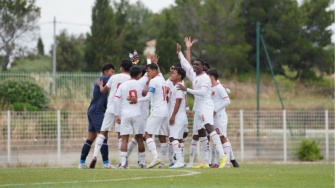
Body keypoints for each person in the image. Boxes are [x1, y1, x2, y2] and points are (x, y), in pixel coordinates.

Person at [176, 37, 228, 169]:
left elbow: (203, 93)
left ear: (203, 67)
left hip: (206, 106)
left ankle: (223, 156)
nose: (194, 66)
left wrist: (186, 89)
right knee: (200, 132)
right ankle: (205, 161)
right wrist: (180, 53)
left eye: (197, 64)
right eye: (194, 64)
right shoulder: (194, 76)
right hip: (198, 108)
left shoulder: (205, 78)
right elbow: (185, 65)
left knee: (209, 128)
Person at [89, 59, 133, 169]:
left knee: (103, 133)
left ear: (121, 68)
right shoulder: (130, 79)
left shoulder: (114, 77)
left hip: (111, 107)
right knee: (121, 136)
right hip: (122, 109)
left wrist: (100, 85)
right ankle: (123, 162)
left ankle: (94, 156)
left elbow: (103, 90)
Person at [128, 63, 169, 168]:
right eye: (146, 71)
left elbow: (148, 97)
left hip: (157, 111)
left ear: (155, 70)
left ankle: (156, 158)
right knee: (162, 136)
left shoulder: (154, 81)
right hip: (165, 111)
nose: (147, 73)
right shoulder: (161, 79)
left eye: (149, 71)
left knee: (147, 134)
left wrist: (137, 99)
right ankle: (162, 161)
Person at [78, 63, 115, 169]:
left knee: (91, 137)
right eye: (112, 72)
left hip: (92, 110)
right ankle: (106, 163)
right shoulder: (105, 78)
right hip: (97, 111)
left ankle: (81, 163)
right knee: (104, 135)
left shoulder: (100, 79)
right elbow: (117, 81)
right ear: (105, 72)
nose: (113, 74)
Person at [114, 66, 147, 169]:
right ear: (138, 75)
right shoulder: (139, 84)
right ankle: (142, 163)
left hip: (125, 114)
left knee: (124, 139)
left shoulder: (123, 85)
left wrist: (117, 114)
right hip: (137, 114)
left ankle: (123, 163)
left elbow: (116, 100)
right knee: (140, 138)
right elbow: (145, 94)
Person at [167, 67, 188, 168]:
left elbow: (178, 101)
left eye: (174, 73)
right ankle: (181, 161)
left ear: (179, 76)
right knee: (178, 140)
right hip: (181, 116)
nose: (172, 74)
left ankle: (179, 162)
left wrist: (173, 116)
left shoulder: (179, 86)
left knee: (172, 138)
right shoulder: (176, 86)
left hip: (178, 117)